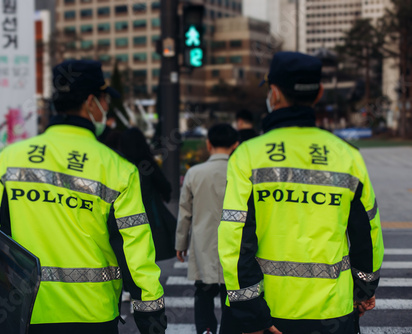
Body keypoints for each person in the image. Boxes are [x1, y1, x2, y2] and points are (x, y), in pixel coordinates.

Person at [0, 59, 166, 334]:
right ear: (91, 102)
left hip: (26, 312)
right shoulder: (118, 169)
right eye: (105, 100)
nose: (106, 108)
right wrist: (151, 316)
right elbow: (136, 252)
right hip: (94, 315)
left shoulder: (8, 161)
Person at [218, 51, 384, 334]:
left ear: (274, 93)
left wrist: (251, 314)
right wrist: (364, 290)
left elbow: (235, 239)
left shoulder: (248, 155)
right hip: (334, 312)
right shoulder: (348, 156)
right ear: (318, 93)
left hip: (270, 313)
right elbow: (367, 232)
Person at [176, 124, 239, 334]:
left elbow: (185, 212)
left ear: (208, 144)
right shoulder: (241, 172)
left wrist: (181, 243)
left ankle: (206, 330)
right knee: (231, 296)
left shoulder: (194, 173)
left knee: (203, 294)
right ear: (235, 145)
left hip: (204, 246)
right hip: (234, 246)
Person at [119, 127, 177, 262]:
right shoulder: (147, 163)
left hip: (124, 219)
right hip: (149, 219)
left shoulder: (118, 165)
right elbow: (164, 186)